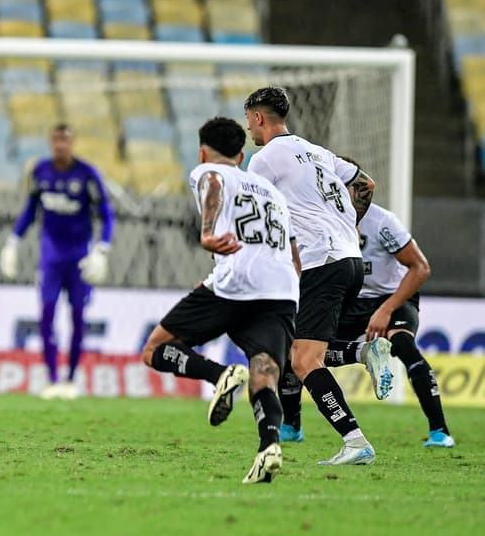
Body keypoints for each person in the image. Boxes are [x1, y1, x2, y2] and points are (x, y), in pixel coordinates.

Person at [142, 117, 300, 484]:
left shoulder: (209, 171)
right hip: (281, 288)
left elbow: (213, 180)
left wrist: (209, 233)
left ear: (202, 152)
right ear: (243, 155)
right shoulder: (271, 191)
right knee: (265, 370)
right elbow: (294, 254)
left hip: (237, 282)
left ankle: (219, 375)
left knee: (155, 349)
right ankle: (269, 447)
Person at [244, 86, 393, 465]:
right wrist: (349, 225)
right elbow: (366, 184)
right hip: (349, 259)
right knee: (302, 350)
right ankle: (363, 351)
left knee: (304, 360)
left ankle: (355, 440)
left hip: (320, 262)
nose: (249, 129)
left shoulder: (264, 160)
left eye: (249, 120)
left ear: (258, 117)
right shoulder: (317, 151)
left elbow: (260, 222)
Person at [280, 185, 454, 448]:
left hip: (391, 298)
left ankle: (440, 432)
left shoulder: (383, 222)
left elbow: (420, 268)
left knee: (403, 345)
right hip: (350, 298)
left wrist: (386, 310)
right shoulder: (319, 219)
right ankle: (292, 425)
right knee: (300, 349)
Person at [0, 123, 114, 400]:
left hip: (78, 258)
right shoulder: (40, 172)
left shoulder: (87, 174)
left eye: (65, 141)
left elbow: (106, 214)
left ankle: (71, 379)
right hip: (50, 257)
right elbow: (30, 210)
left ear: (72, 143)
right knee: (47, 316)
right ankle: (51, 379)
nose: (60, 146)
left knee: (77, 317)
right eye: (56, 141)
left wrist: (102, 249)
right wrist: (13, 241)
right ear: (51, 143)